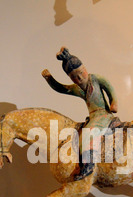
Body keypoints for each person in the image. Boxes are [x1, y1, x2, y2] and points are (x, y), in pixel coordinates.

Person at [42, 47, 118, 180]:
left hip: (103, 115)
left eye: (81, 73)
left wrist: (114, 103)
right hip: (92, 117)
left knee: (87, 136)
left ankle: (88, 166)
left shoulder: (96, 79)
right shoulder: (78, 89)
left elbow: (109, 88)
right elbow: (62, 88)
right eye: (75, 78)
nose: (79, 78)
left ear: (85, 69)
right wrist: (49, 79)